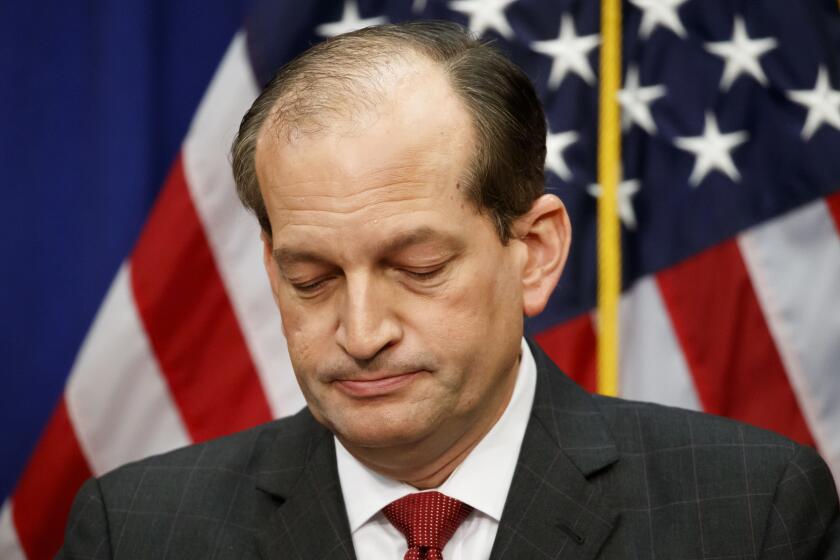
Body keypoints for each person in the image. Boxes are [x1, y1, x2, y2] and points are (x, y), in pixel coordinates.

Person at [60, 21, 839, 559]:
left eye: (418, 269)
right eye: (312, 278)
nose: (361, 333)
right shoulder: (137, 531)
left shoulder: (749, 512)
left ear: (533, 253)